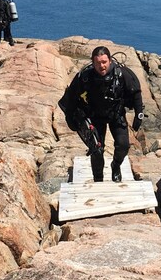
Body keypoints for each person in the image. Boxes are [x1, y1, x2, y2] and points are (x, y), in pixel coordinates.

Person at [59, 46, 144, 182]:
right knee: (96, 150)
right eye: (98, 63)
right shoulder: (85, 76)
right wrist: (69, 117)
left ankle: (116, 165)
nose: (101, 66)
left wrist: (139, 114)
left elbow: (136, 93)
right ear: (93, 62)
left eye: (104, 62)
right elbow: (72, 96)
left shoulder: (121, 74)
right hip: (94, 116)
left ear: (110, 60)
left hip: (116, 115)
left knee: (123, 145)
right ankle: (98, 178)